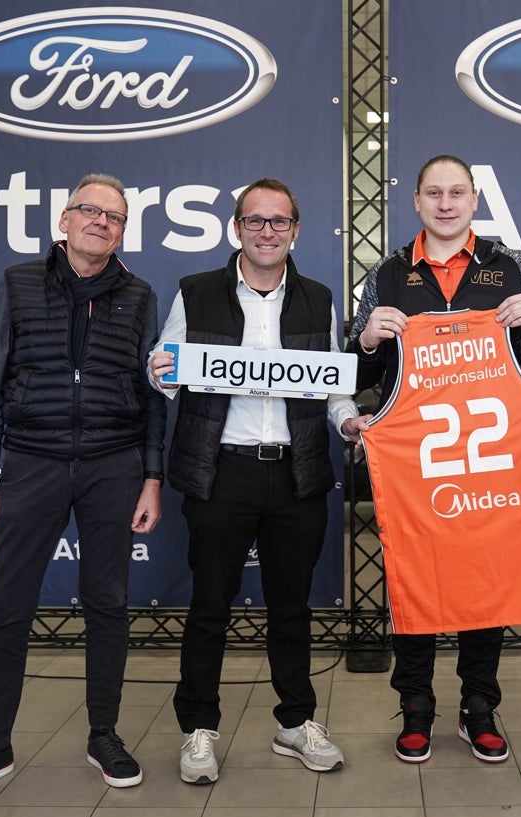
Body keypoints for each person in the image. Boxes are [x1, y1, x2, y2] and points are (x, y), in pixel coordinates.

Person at [0, 174, 166, 804]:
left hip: (113, 466)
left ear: (123, 231)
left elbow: (151, 396)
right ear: (64, 220)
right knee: (7, 607)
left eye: (115, 216)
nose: (101, 222)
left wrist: (152, 477)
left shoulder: (140, 295)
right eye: (89, 210)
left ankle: (104, 736)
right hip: (31, 463)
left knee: (108, 606)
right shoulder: (18, 282)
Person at [148, 178, 367, 785]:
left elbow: (333, 386)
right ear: (236, 228)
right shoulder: (196, 292)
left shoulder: (318, 298)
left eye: (279, 222)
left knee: (292, 609)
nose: (266, 231)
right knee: (209, 608)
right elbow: (164, 372)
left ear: (295, 230)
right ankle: (198, 730)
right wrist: (161, 369)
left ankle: (295, 723)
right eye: (255, 221)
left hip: (296, 474)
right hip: (220, 473)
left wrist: (349, 423)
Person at [347, 154, 521, 765]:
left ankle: (479, 707)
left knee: (484, 582)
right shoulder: (387, 274)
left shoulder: (511, 267)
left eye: (457, 193)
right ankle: (415, 707)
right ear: (415, 201)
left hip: (490, 459)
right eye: (433, 193)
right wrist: (365, 338)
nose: (446, 204)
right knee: (415, 581)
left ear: (474, 200)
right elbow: (358, 372)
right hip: (415, 461)